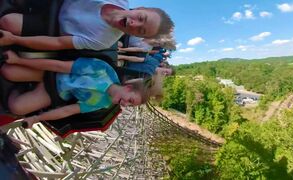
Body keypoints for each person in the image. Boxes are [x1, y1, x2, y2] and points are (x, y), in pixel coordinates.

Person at [0, 50, 153, 128]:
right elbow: (58, 66)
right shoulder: (102, 70)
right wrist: (19, 60)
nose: (126, 105)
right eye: (130, 100)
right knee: (8, 70)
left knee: (17, 107)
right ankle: (23, 78)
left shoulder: (103, 103)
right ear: (127, 87)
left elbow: (68, 110)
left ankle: (20, 89)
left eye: (130, 106)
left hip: (55, 92)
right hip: (52, 73)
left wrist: (37, 118)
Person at [0, 0, 174, 51]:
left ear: (139, 37)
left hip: (52, 25)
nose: (134, 24)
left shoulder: (103, 41)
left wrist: (15, 39)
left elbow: (58, 43)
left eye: (140, 30)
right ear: (141, 8)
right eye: (141, 17)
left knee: (7, 23)